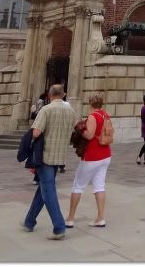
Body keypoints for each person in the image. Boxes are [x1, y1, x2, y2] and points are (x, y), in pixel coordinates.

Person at [22, 84, 77, 239]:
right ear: (63, 95)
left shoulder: (46, 110)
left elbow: (36, 132)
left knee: (49, 191)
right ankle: (29, 221)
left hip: (45, 156)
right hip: (59, 156)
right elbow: (74, 130)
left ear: (49, 95)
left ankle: (59, 227)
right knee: (44, 189)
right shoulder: (71, 111)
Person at [65, 93, 111, 228]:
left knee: (78, 186)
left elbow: (90, 135)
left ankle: (70, 218)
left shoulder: (93, 116)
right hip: (105, 154)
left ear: (90, 104)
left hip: (92, 156)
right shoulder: (105, 115)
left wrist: (79, 128)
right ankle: (100, 218)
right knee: (100, 186)